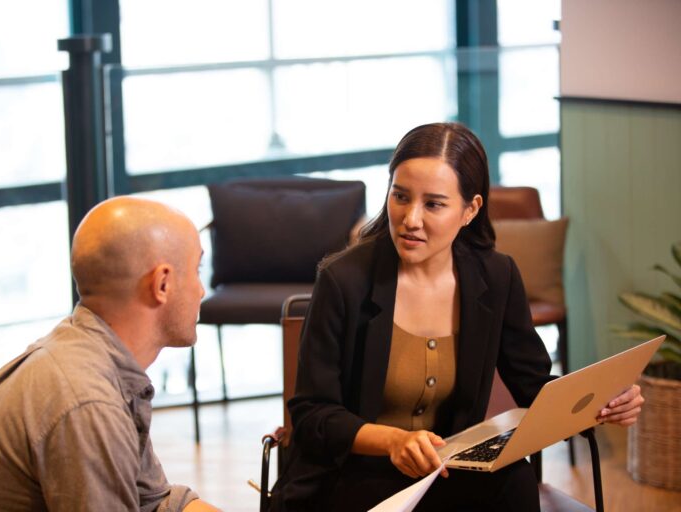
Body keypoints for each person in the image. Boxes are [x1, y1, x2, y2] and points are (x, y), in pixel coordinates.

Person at [270, 123, 645, 511]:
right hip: (352, 472)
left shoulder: (496, 277)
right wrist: (393, 441)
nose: (410, 219)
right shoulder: (342, 279)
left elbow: (534, 386)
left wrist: (599, 403)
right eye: (400, 196)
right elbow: (312, 414)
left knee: (516, 479)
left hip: (445, 469)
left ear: (471, 209)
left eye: (433, 204)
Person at [0, 197, 219, 511]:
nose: (201, 290)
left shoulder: (93, 358)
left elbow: (154, 503)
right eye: (196, 270)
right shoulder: (87, 399)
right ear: (162, 284)